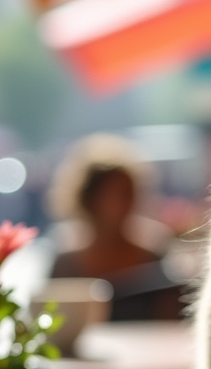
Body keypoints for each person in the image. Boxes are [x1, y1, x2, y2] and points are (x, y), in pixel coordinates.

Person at [46, 134, 181, 320]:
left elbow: (170, 319)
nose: (125, 203)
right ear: (90, 199)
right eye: (115, 195)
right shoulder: (65, 264)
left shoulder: (153, 255)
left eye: (129, 193)